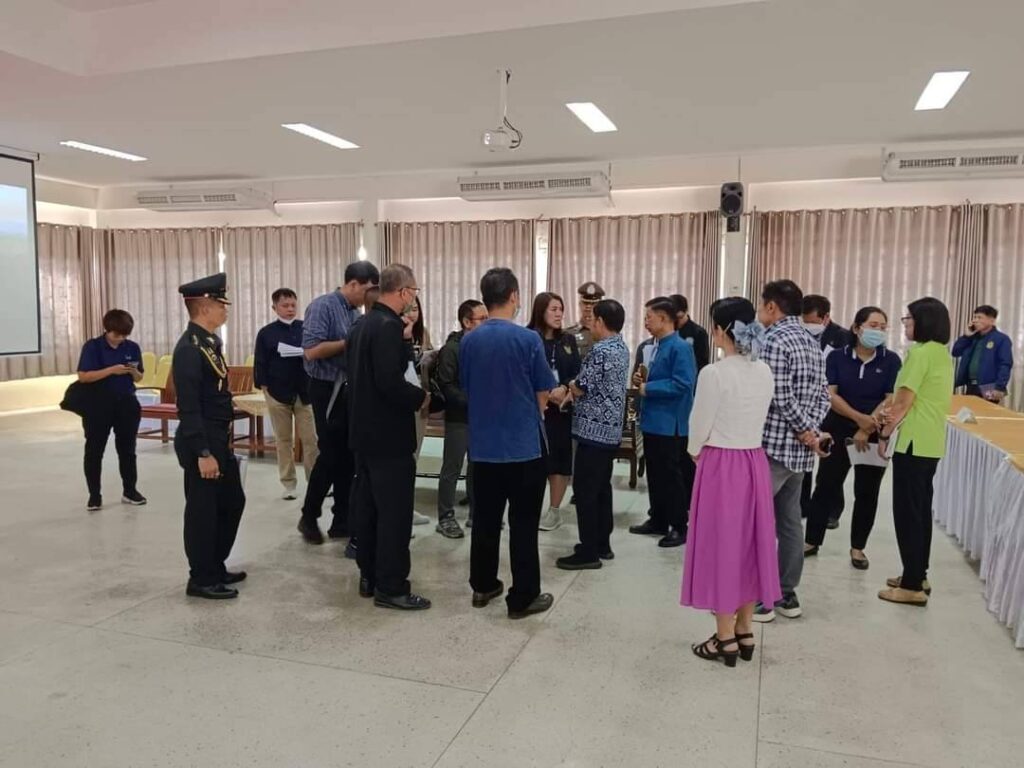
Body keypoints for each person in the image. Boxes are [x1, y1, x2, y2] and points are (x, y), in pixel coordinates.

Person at [681, 298, 780, 667]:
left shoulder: (714, 373)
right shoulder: (764, 370)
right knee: (751, 546)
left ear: (720, 331)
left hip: (721, 463)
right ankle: (744, 629)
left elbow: (699, 425)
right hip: (754, 461)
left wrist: (695, 452)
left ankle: (724, 638)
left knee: (722, 547)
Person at [460, 267, 556, 620]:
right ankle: (523, 597)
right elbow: (543, 391)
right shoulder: (528, 340)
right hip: (523, 446)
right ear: (514, 296)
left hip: (483, 446)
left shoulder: (470, 340)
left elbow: (468, 386)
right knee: (523, 524)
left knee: (485, 520)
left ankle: (483, 585)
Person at [346, 264, 431, 610]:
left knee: (368, 510)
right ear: (404, 292)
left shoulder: (363, 324)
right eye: (414, 292)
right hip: (389, 436)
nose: (413, 298)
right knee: (394, 514)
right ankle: (392, 586)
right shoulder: (388, 327)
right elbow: (391, 382)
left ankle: (369, 576)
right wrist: (421, 397)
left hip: (364, 434)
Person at [753, 280, 831, 623]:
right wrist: (811, 431)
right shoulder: (811, 341)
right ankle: (786, 593)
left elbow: (779, 394)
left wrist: (804, 430)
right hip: (799, 453)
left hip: (774, 446)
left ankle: (762, 597)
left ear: (772, 307)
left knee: (755, 521)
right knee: (789, 523)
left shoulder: (774, 339)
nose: (760, 311)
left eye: (762, 305)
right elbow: (824, 395)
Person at [804, 307, 901, 570]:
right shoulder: (837, 357)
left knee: (867, 492)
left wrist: (867, 428)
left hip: (873, 434)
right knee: (825, 487)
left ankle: (858, 548)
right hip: (837, 430)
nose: (878, 331)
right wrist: (859, 419)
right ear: (857, 328)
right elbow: (830, 394)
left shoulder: (891, 360)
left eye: (883, 327)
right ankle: (811, 540)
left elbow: (890, 398)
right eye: (873, 325)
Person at [877, 298, 954, 607]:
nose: (905, 324)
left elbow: (902, 403)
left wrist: (884, 434)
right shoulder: (941, 353)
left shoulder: (919, 354)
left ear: (924, 321)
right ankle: (917, 574)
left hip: (912, 441)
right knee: (920, 511)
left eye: (908, 318)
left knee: (907, 513)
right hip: (930, 441)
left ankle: (911, 586)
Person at [173, 273, 246, 600]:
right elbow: (188, 406)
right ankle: (201, 578)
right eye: (220, 304)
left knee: (231, 502)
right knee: (203, 512)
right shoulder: (189, 349)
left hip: (218, 437)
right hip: (201, 440)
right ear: (204, 307)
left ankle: (215, 564)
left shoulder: (209, 342)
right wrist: (203, 453)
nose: (224, 309)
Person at [297, 261, 379, 545]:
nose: (369, 296)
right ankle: (309, 515)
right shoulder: (323, 306)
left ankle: (342, 520)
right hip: (326, 388)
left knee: (348, 456)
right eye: (367, 289)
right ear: (353, 283)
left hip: (348, 388)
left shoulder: (355, 311)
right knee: (330, 454)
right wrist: (352, 341)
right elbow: (311, 351)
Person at [555, 299, 630, 570]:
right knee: (601, 489)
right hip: (610, 432)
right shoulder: (621, 347)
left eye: (593, 320)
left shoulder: (600, 351)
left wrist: (568, 385)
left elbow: (582, 385)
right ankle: (601, 543)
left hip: (592, 432)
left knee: (585, 491)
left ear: (600, 322)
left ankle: (588, 552)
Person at [629, 296, 696, 548]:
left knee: (671, 477)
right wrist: (641, 379)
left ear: (664, 318)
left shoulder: (680, 347)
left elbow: (683, 383)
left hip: (670, 423)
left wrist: (648, 388)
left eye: (649, 317)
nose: (646, 322)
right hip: (653, 420)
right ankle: (657, 518)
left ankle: (678, 525)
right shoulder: (655, 345)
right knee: (655, 474)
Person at [75, 309, 147, 511]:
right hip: (98, 405)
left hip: (126, 403)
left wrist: (133, 372)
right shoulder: (93, 347)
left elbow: (139, 377)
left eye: (124, 335)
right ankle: (94, 495)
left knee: (128, 450)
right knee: (94, 450)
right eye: (117, 335)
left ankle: (130, 490)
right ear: (107, 329)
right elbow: (84, 376)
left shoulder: (132, 347)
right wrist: (111, 370)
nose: (120, 339)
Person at [253, 288, 318, 501]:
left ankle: (315, 482)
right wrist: (265, 389)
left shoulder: (306, 328)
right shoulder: (266, 333)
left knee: (311, 439)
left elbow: (316, 353)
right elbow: (260, 363)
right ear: (275, 308)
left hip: (304, 392)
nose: (290, 309)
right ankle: (288, 484)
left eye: (293, 305)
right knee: (283, 440)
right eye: (285, 305)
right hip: (277, 393)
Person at [527, 292, 582, 531]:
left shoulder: (568, 340)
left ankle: (554, 511)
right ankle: (530, 509)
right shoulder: (529, 337)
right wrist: (547, 392)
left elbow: (576, 371)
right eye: (554, 309)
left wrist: (566, 388)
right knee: (536, 461)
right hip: (535, 410)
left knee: (559, 459)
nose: (559, 314)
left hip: (561, 410)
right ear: (541, 311)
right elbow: (524, 372)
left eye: (561, 309)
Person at [434, 299, 488, 538]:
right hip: (459, 417)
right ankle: (445, 517)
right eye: (482, 319)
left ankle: (477, 514)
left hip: (481, 417)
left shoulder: (484, 346)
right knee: (452, 468)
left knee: (478, 467)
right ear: (467, 322)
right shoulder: (452, 349)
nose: (487, 323)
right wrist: (473, 401)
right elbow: (447, 385)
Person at [405, 295, 434, 527]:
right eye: (408, 309)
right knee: (401, 459)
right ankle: (400, 509)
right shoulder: (392, 332)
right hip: (400, 402)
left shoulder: (422, 333)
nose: (412, 313)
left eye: (415, 308)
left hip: (420, 401)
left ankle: (408, 506)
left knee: (414, 456)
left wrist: (430, 357)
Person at [952, 305, 1013, 403]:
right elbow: (955, 352)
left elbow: (1005, 364)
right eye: (975, 317)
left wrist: (999, 387)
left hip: (989, 387)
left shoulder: (1001, 339)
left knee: (986, 410)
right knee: (970, 411)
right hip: (971, 385)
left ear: (991, 321)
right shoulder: (972, 337)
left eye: (980, 317)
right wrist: (966, 336)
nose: (975, 320)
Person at [565, 282, 605, 360]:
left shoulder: (606, 333)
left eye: (593, 303)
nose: (588, 307)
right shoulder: (568, 333)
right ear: (580, 304)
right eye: (585, 303)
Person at [670, 294, 711, 371]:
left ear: (686, 311)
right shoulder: (668, 331)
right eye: (674, 318)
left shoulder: (698, 332)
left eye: (680, 317)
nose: (677, 321)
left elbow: (702, 363)